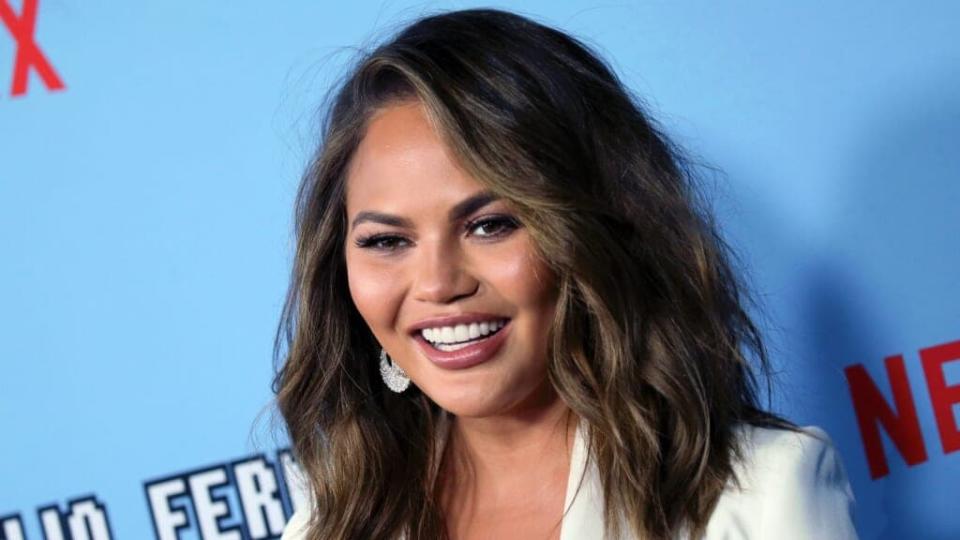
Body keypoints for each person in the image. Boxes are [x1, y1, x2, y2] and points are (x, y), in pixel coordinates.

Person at [273, 8, 858, 540]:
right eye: (387, 241)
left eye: (491, 225)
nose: (436, 284)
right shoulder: (326, 529)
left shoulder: (762, 497)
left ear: (595, 231)